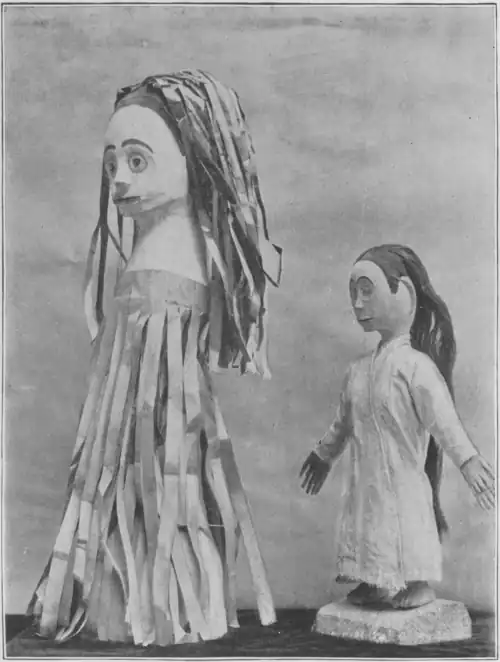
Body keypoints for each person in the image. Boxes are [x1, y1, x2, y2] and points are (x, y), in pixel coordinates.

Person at [28, 70, 282, 646]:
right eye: (112, 164)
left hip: (168, 429)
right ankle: (135, 609)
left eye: (138, 161)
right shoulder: (153, 246)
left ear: (194, 158)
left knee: (165, 493)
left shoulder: (182, 251)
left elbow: (168, 373)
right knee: (127, 495)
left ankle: (168, 609)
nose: (119, 178)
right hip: (121, 437)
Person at [300, 244, 494, 610]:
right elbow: (342, 424)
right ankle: (373, 581)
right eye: (353, 293)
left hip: (403, 477)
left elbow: (444, 420)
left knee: (406, 524)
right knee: (366, 525)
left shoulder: (416, 367)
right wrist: (323, 454)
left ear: (403, 291)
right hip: (365, 477)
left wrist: (468, 460)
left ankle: (418, 583)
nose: (357, 303)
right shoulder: (357, 371)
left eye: (367, 290)